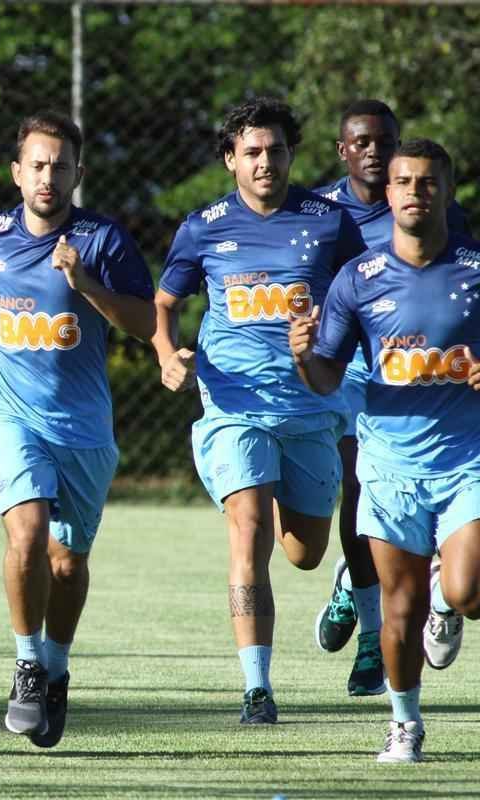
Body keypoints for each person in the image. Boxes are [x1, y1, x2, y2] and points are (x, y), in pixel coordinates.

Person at [152, 97, 366, 725]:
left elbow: (363, 295)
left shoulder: (330, 223)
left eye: (275, 149)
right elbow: (163, 305)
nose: (265, 161)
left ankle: (336, 569)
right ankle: (256, 688)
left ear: (291, 154)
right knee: (247, 531)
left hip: (310, 406)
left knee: (303, 552)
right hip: (233, 406)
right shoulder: (203, 226)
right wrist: (168, 354)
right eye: (251, 151)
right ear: (230, 160)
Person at [0, 110, 155, 747]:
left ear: (77, 174)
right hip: (11, 414)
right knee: (29, 531)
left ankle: (58, 665)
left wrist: (84, 283)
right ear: (17, 172)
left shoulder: (102, 241)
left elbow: (146, 323)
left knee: (67, 564)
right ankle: (28, 663)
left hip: (83, 427)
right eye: (36, 165)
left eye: (59, 166)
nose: (47, 176)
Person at [291, 139, 480, 763]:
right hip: (391, 465)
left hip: (467, 459)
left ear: (445, 191)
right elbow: (325, 377)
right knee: (400, 606)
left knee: (470, 588)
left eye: (428, 182)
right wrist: (303, 354)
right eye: (404, 182)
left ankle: (449, 600)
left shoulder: (477, 268)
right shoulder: (358, 279)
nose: (414, 193)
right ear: (390, 192)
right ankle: (405, 725)